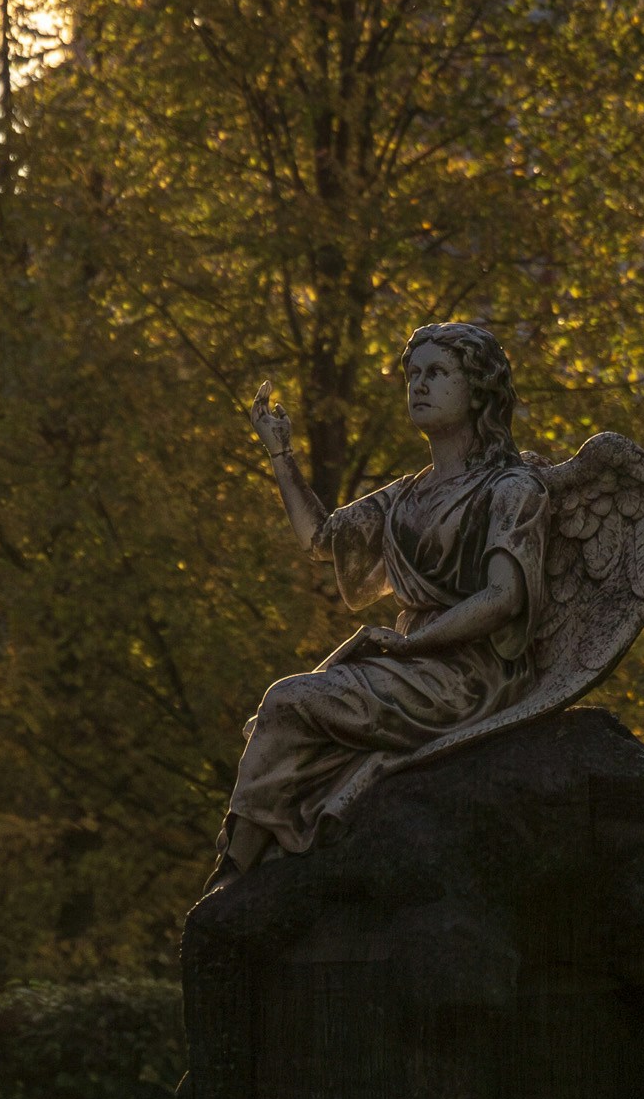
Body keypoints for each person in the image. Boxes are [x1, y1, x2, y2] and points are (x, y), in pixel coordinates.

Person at [216, 321, 545, 873]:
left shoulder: (513, 488)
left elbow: (504, 597)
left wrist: (411, 646)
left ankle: (233, 876)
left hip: (467, 675)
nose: (418, 385)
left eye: (438, 373)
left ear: (478, 388)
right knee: (294, 709)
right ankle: (240, 876)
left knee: (290, 701)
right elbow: (322, 540)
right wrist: (280, 454)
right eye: (413, 375)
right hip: (410, 662)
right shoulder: (407, 494)